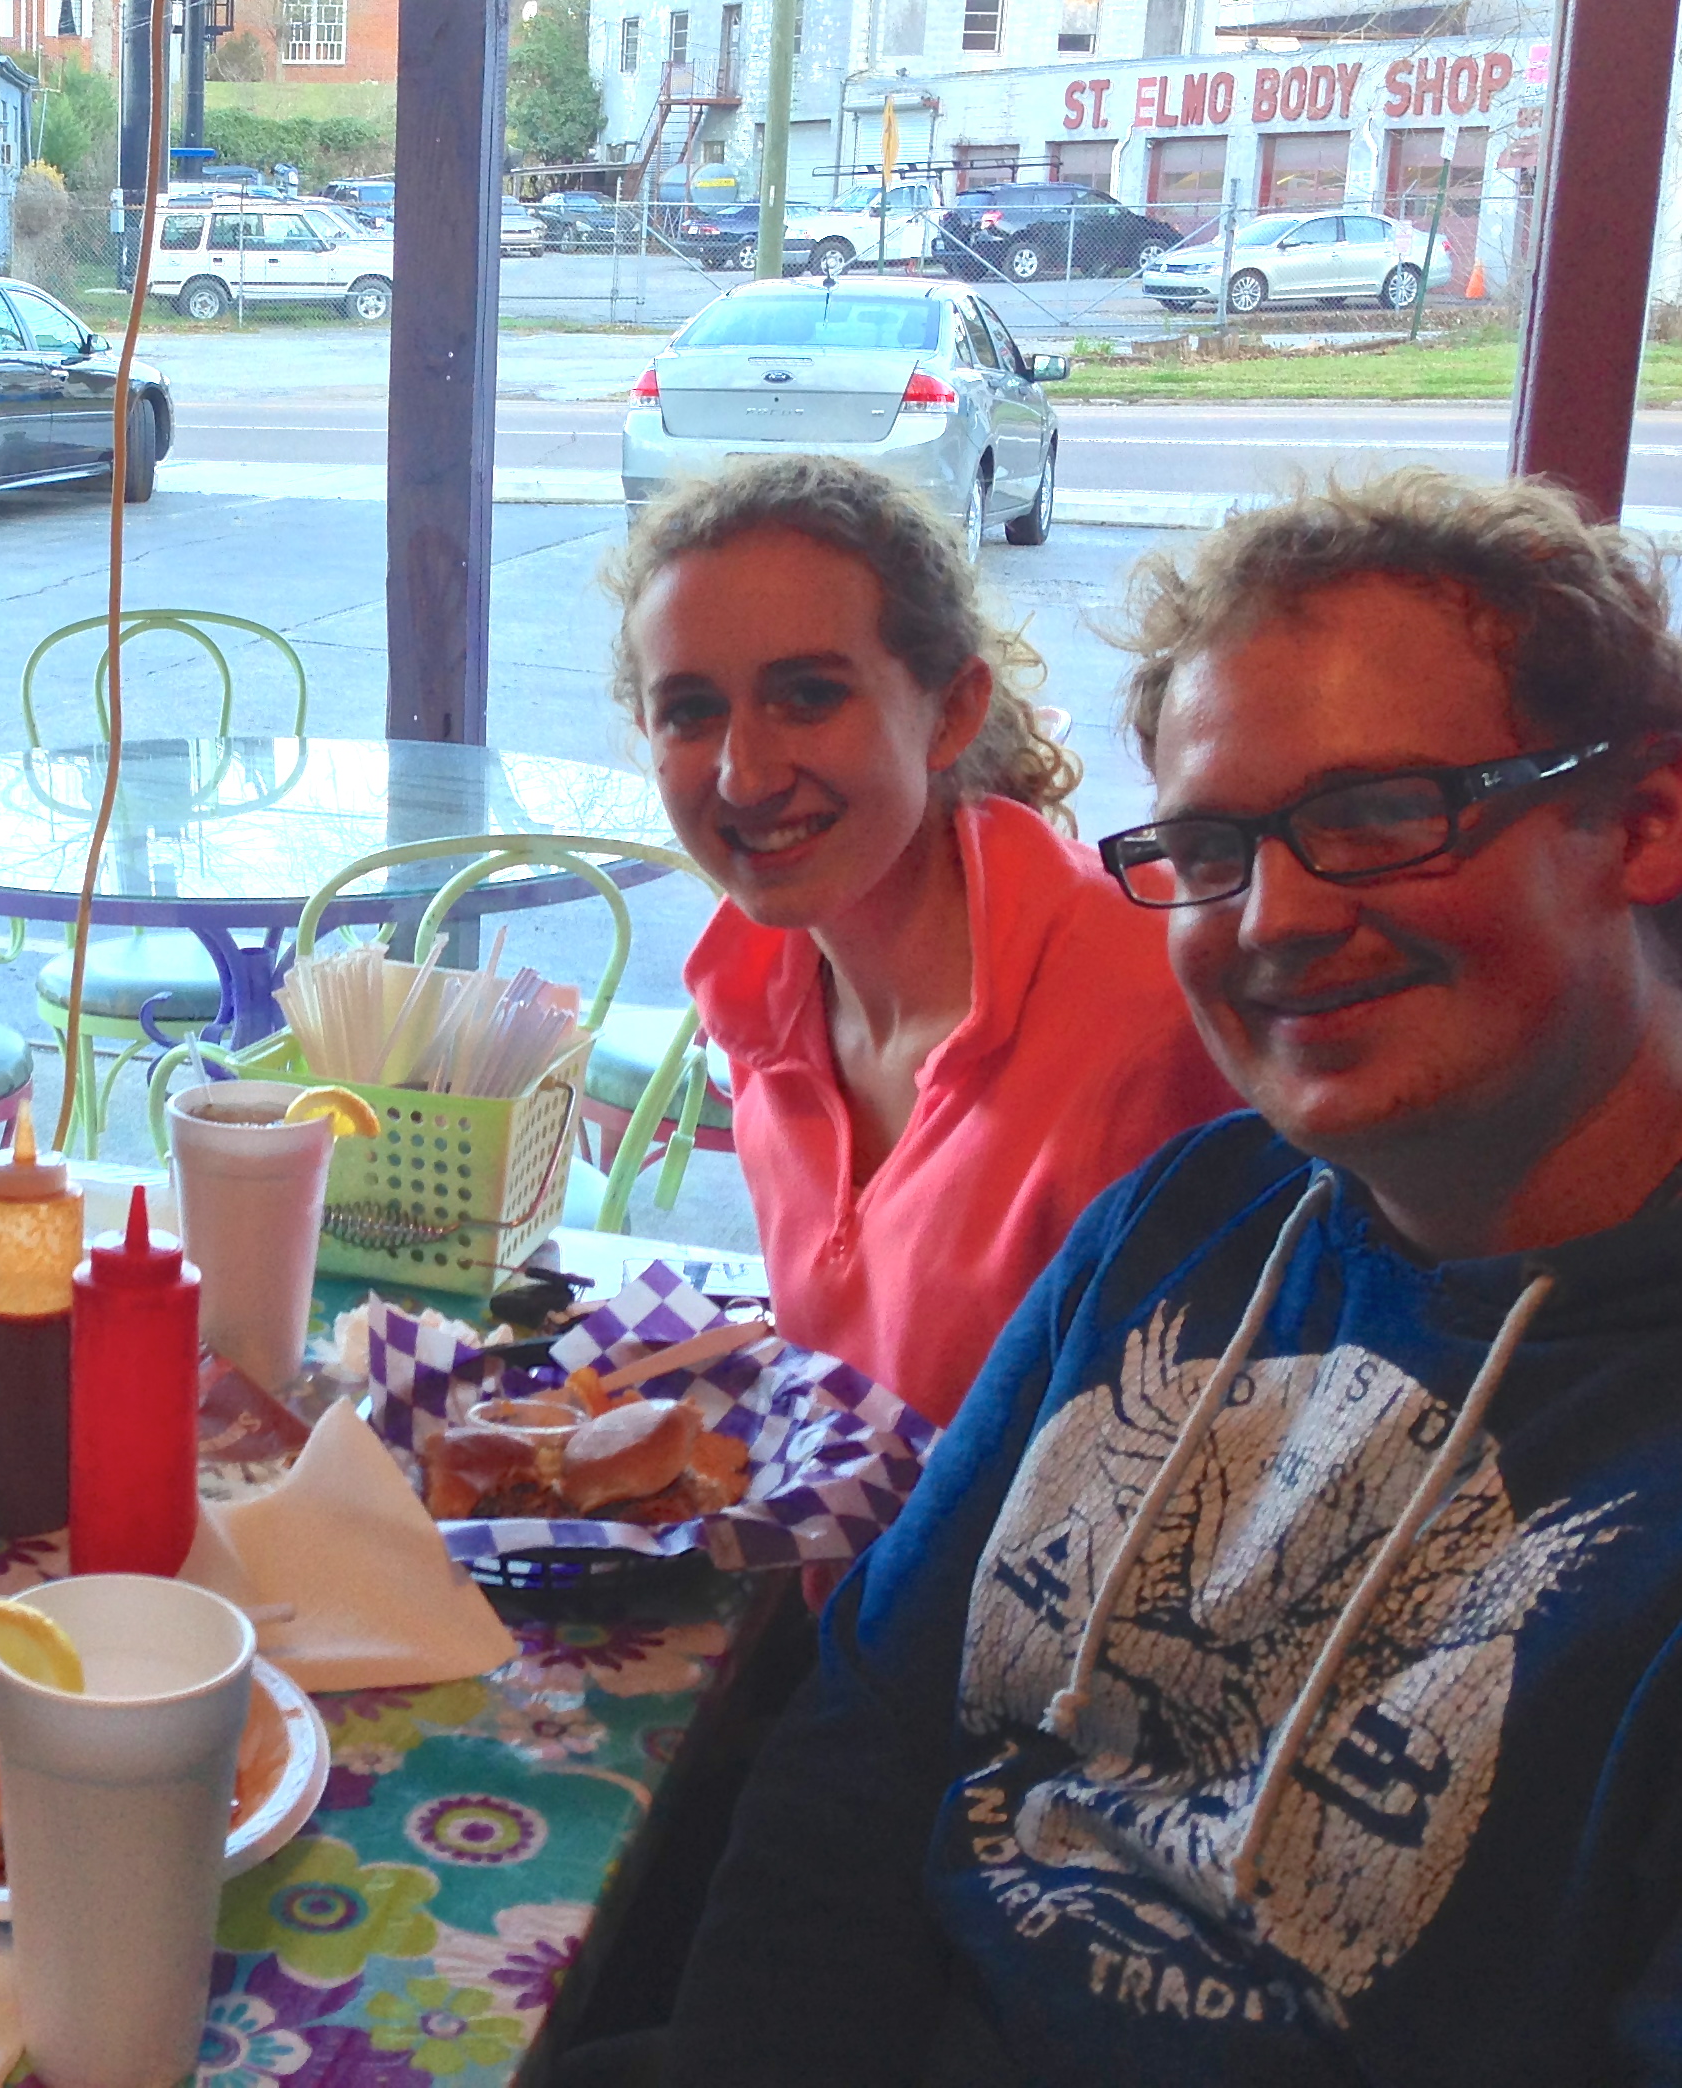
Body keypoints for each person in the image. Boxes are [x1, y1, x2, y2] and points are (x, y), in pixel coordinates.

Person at [638, 472, 1682, 2085]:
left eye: (1383, 815)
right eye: (1211, 843)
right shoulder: (1190, 1213)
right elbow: (859, 1745)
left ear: (1642, 821)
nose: (1278, 914)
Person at [609, 454, 1233, 1425]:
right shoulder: (756, 1001)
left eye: (807, 695)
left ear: (951, 711)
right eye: (690, 711)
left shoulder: (1156, 997)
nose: (743, 773)